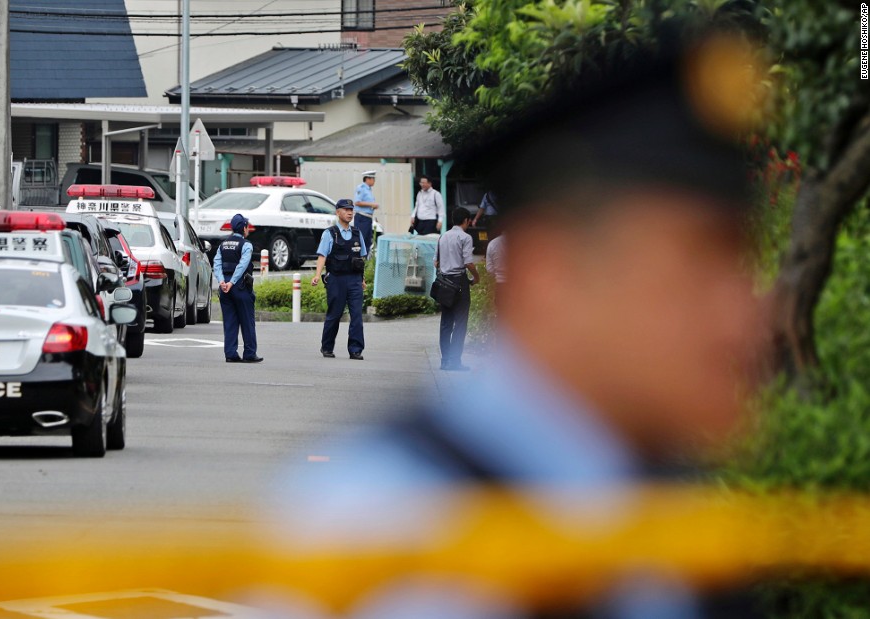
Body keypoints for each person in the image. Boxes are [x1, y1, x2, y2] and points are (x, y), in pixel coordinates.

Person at [276, 32, 768, 618]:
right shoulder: (393, 534)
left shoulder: (676, 518)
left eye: (746, 264)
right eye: (697, 265)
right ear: (548, 276)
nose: (747, 315)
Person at [311, 199, 369, 360]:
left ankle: (355, 349)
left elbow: (360, 258)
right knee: (334, 315)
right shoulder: (330, 233)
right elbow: (322, 255)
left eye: (351, 210)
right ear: (338, 212)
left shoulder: (357, 233)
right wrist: (317, 275)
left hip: (354, 280)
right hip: (336, 279)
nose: (350, 212)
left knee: (356, 315)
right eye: (346, 210)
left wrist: (362, 279)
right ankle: (327, 347)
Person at [434, 209, 479, 371]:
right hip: (460, 282)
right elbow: (468, 263)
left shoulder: (443, 237)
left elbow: (436, 263)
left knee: (446, 323)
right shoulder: (465, 237)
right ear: (466, 220)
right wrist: (476, 276)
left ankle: (445, 361)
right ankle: (455, 361)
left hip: (445, 283)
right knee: (460, 324)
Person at [213, 214, 262, 363]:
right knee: (247, 320)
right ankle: (249, 353)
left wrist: (222, 281)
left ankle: (230, 353)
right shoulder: (246, 245)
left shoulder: (223, 245)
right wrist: (232, 282)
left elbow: (217, 264)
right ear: (244, 228)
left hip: (225, 287)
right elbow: (242, 265)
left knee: (229, 321)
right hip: (239, 286)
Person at [352, 171, 379, 254]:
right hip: (362, 217)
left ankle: (365, 261)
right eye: (373, 179)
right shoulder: (361, 188)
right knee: (361, 240)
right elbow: (357, 202)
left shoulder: (369, 190)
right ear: (367, 179)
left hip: (368, 218)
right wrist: (372, 204)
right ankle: (358, 260)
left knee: (367, 241)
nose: (374, 181)